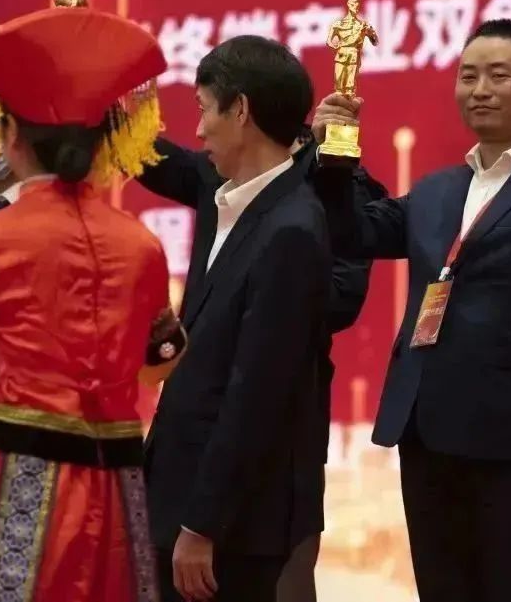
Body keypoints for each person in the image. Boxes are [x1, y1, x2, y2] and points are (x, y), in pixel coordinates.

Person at [311, 19, 511, 602]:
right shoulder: (436, 190)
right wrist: (334, 156)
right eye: (468, 76)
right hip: (426, 429)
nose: (480, 90)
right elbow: (351, 233)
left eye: (499, 76)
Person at [135, 112, 387, 602]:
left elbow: (336, 302)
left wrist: (318, 177)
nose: (201, 128)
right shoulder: (222, 181)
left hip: (277, 452)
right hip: (187, 448)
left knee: (279, 584)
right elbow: (155, 160)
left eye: (208, 109)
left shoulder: (331, 200)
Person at [0, 6, 185, 602]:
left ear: (12, 137)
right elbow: (162, 357)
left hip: (16, 475)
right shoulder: (140, 244)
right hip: (116, 485)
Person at [142, 35, 332, 602]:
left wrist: (203, 525)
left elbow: (257, 395)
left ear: (241, 110)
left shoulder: (292, 228)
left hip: (226, 530)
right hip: (184, 496)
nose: (199, 130)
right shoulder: (234, 201)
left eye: (204, 109)